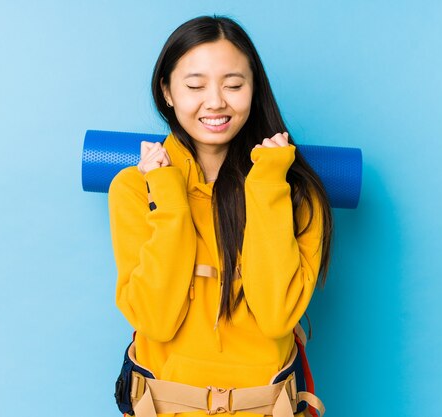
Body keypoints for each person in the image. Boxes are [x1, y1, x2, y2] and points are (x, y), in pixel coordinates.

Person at [108, 15, 332, 417]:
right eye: (195, 85)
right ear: (168, 92)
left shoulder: (296, 192)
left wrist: (267, 186)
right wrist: (169, 198)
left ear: (254, 89)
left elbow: (277, 315)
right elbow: (155, 322)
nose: (215, 101)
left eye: (233, 85)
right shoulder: (133, 189)